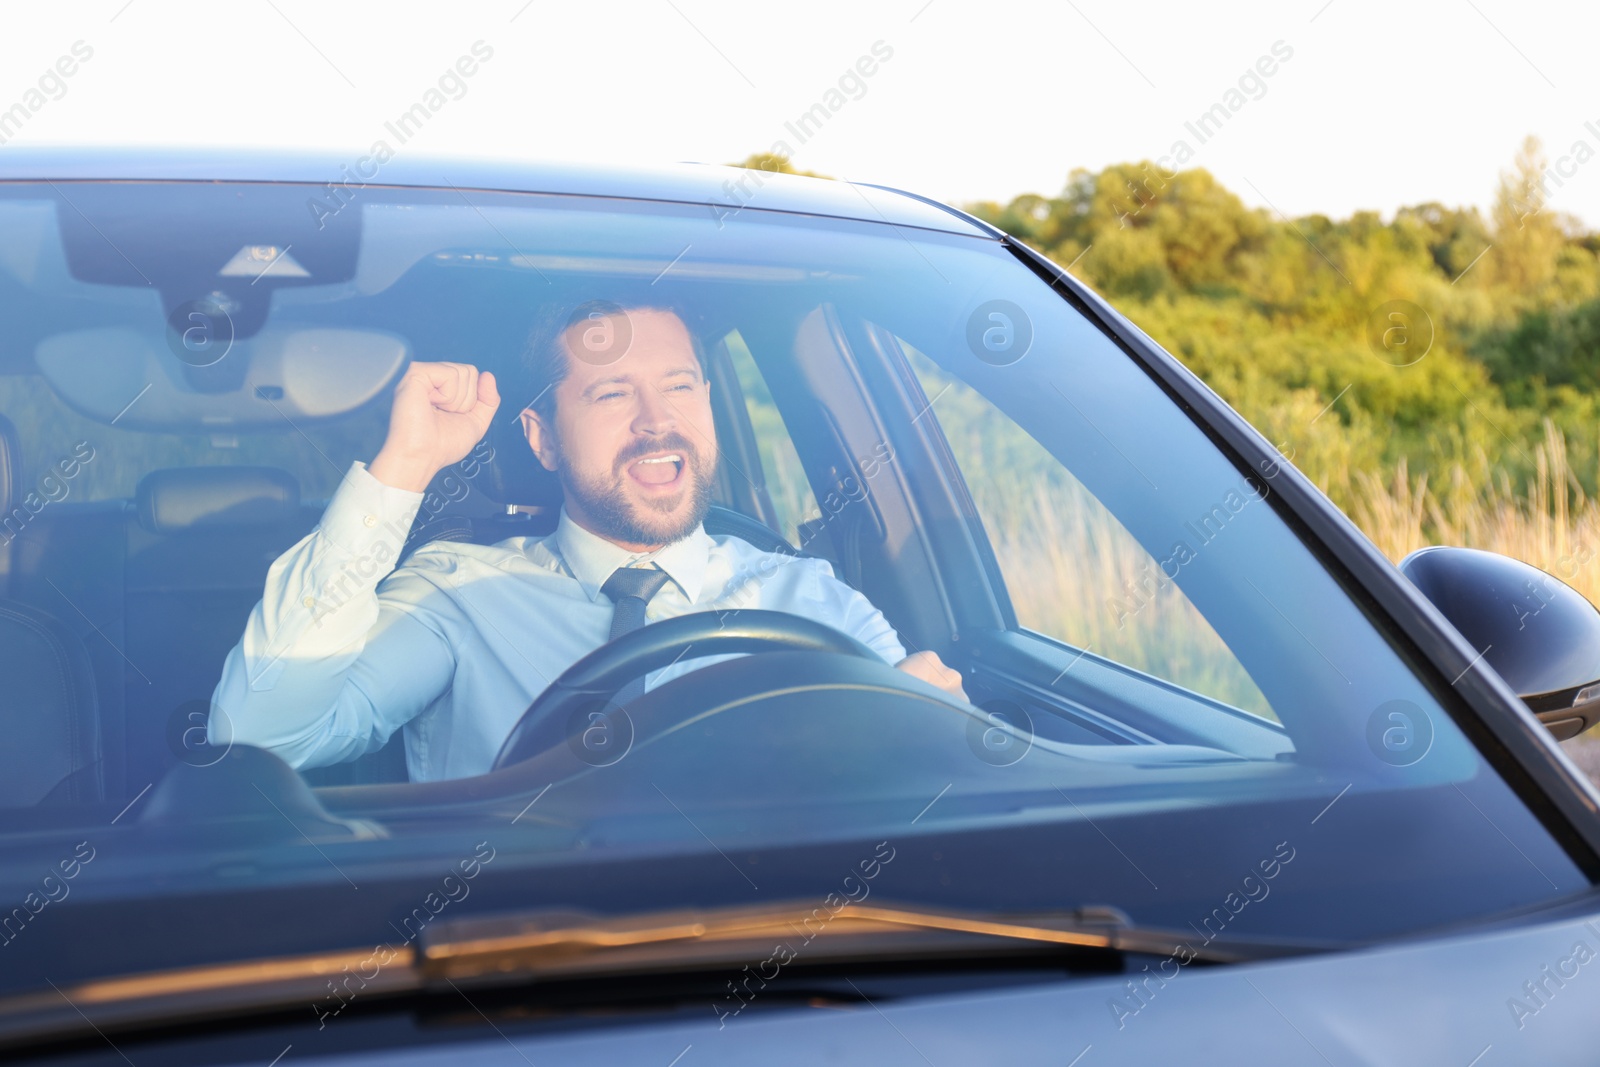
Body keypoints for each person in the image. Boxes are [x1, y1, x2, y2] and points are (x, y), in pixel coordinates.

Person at [212, 300, 966, 781]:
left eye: (678, 385)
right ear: (542, 439)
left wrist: (939, 731)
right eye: (611, 393)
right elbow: (262, 735)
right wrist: (403, 465)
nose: (656, 420)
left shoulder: (812, 601)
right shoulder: (458, 595)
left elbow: (921, 789)